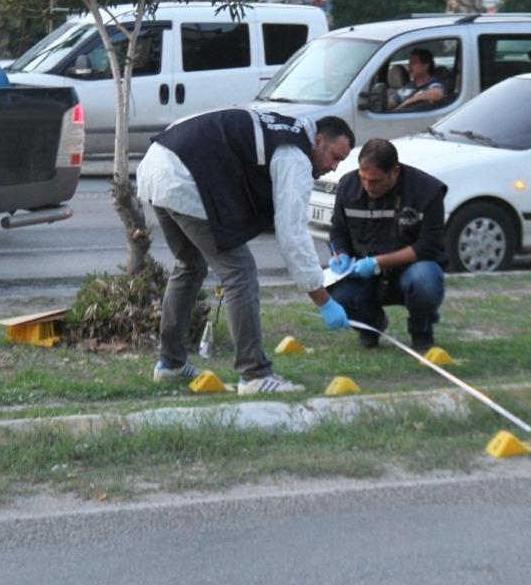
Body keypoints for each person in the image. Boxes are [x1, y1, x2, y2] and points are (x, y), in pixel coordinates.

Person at [137, 109, 355, 394]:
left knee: (190, 265)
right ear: (318, 139)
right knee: (239, 273)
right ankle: (254, 374)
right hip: (181, 177)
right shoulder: (295, 156)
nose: (334, 168)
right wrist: (323, 300)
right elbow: (292, 235)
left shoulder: (282, 128)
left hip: (159, 161)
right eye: (335, 157)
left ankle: (171, 364)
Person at [327, 138, 447, 351]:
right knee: (339, 296)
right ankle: (371, 327)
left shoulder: (427, 190)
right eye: (363, 178)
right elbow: (338, 231)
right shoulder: (347, 185)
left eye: (375, 181)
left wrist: (377, 262)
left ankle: (421, 329)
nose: (368, 186)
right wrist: (341, 253)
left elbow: (428, 245)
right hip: (363, 273)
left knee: (425, 281)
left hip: (409, 270)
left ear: (395, 171)